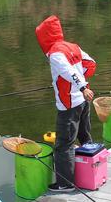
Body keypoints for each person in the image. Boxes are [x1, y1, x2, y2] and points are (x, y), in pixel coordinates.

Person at [35, 15, 96, 192]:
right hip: (84, 101)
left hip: (69, 104)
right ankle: (90, 166)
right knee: (84, 135)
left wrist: (81, 86)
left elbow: (68, 71)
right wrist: (83, 82)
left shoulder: (55, 53)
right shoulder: (72, 46)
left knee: (63, 144)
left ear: (44, 37)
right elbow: (91, 64)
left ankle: (65, 183)